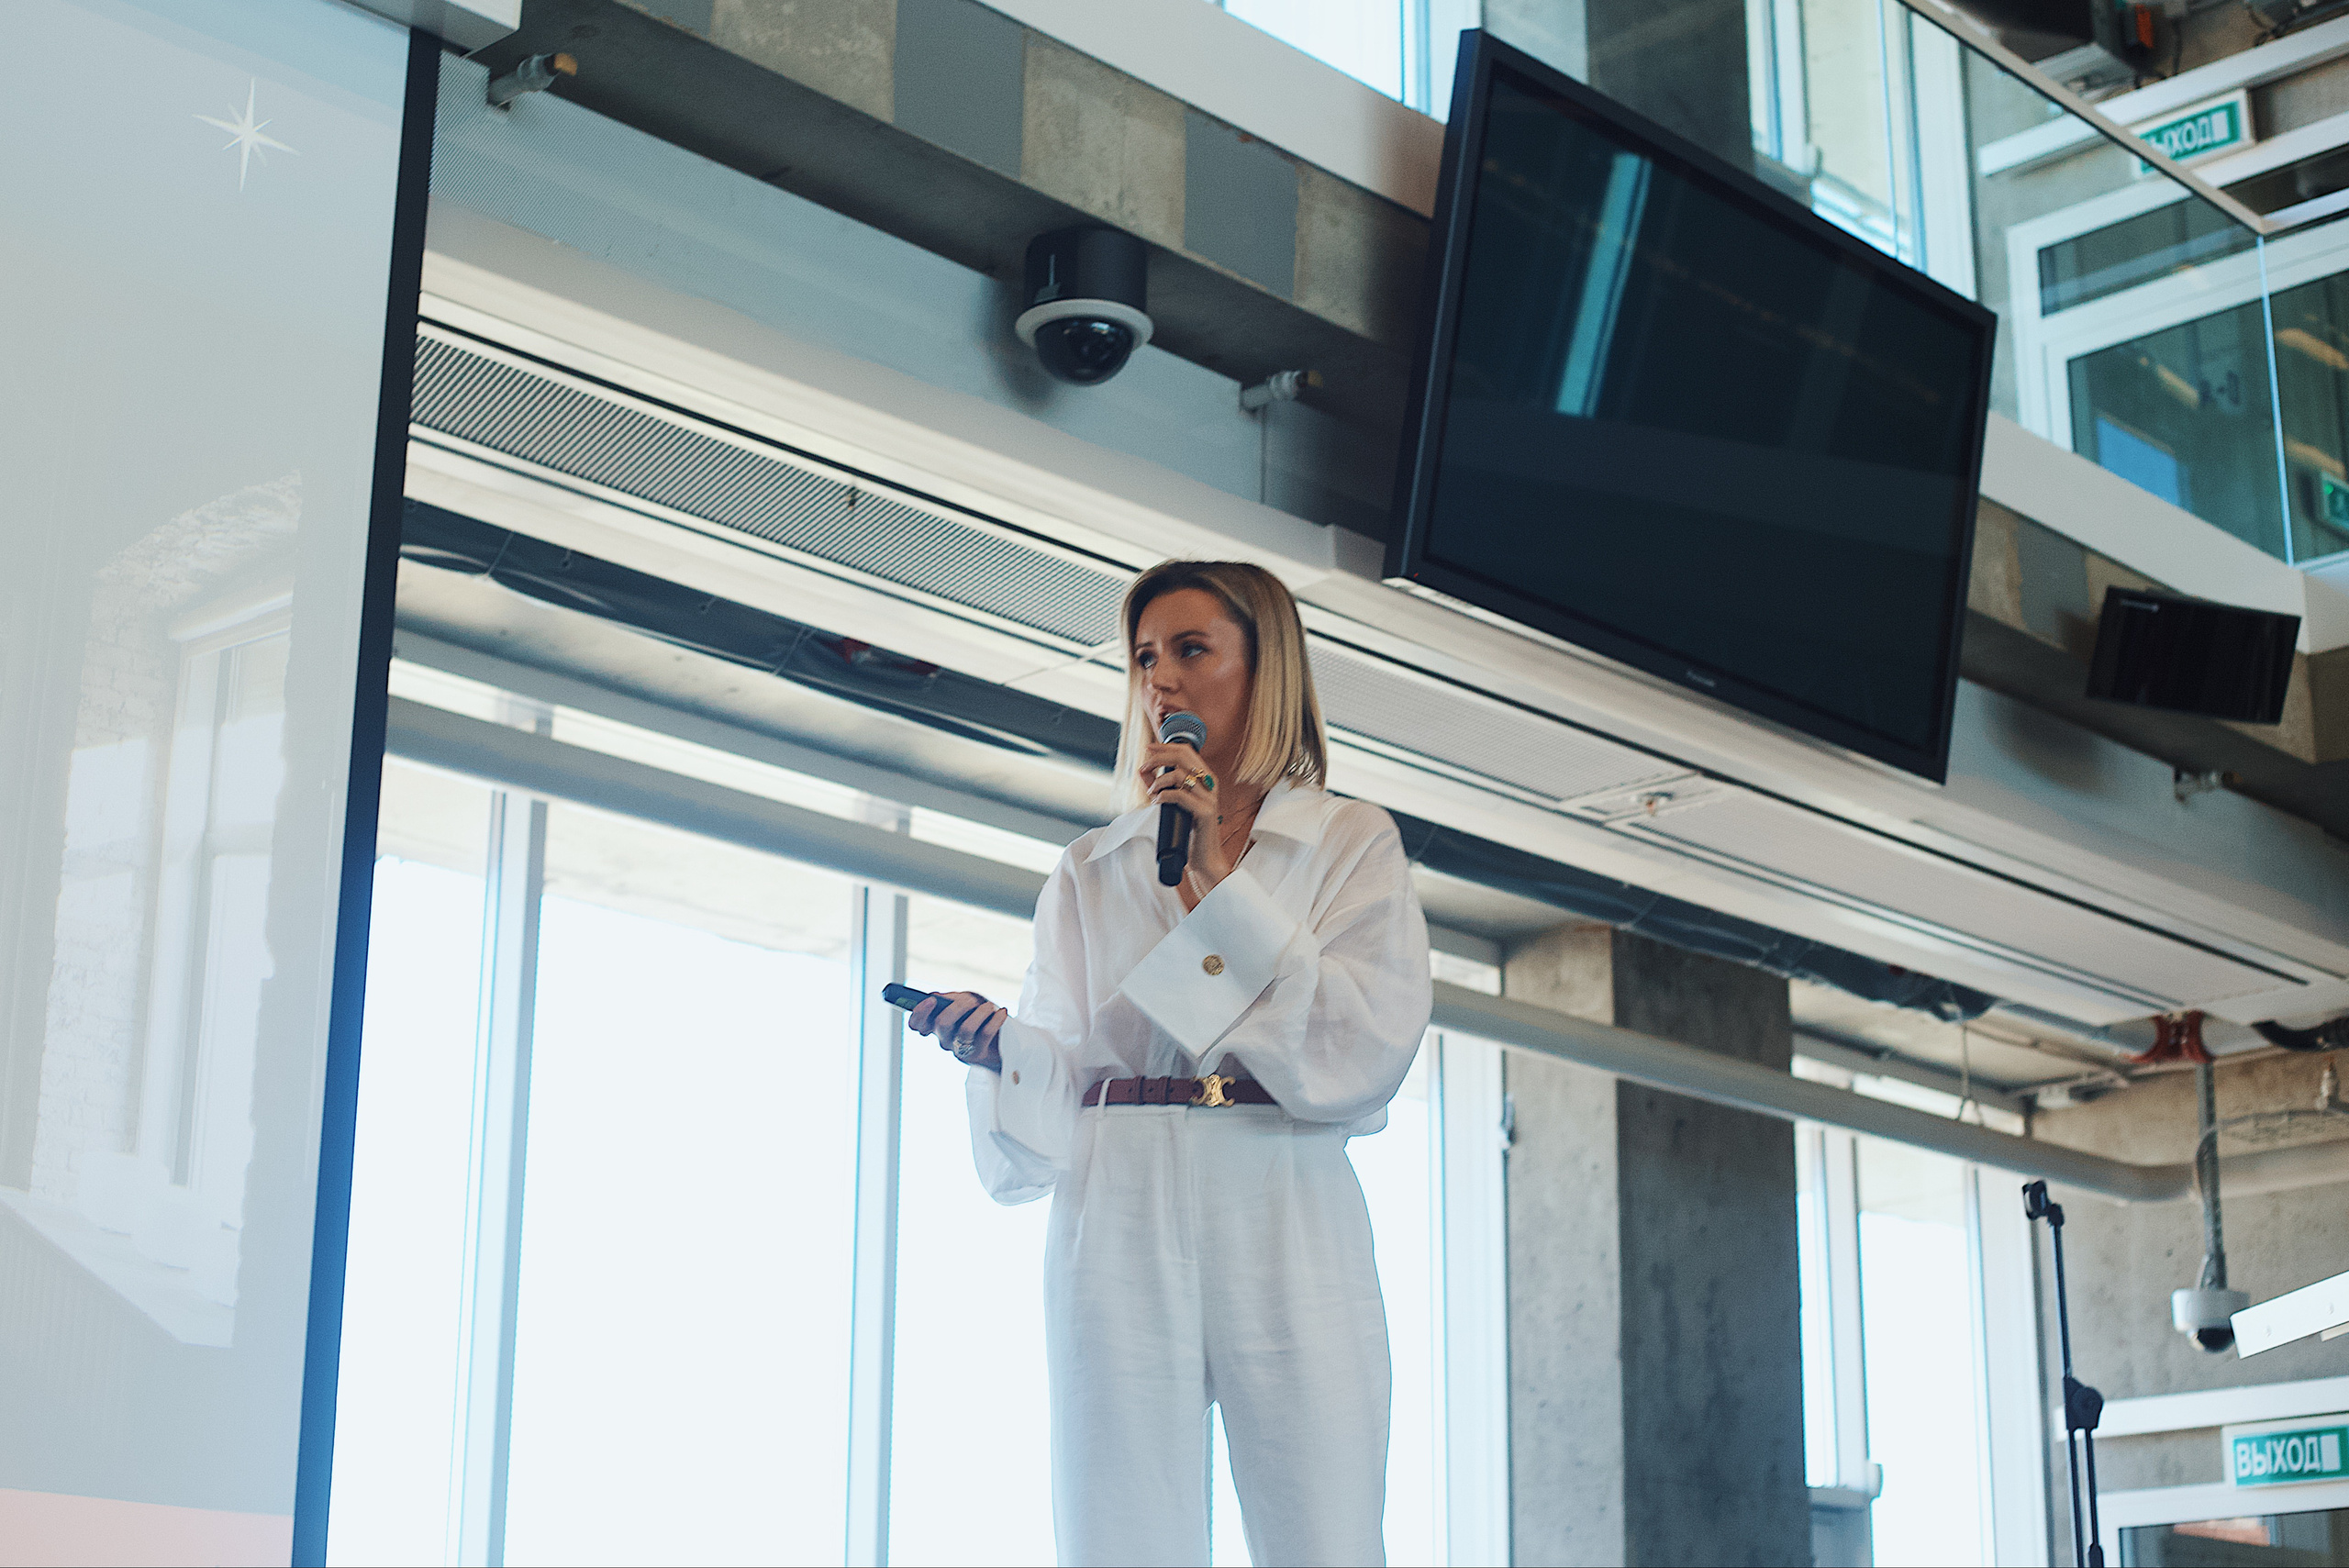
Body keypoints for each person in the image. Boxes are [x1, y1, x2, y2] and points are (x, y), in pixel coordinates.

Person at [905, 559, 1432, 1568]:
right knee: (1118, 1518)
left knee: (1321, 1516)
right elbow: (1065, 1072)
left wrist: (1215, 880)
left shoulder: (1347, 841)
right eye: (1146, 656)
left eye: (1192, 649)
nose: (1162, 681)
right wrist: (999, 1046)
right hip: (1119, 1188)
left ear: (1263, 669)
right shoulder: (1090, 865)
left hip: (1279, 1172)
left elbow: (1363, 1048)